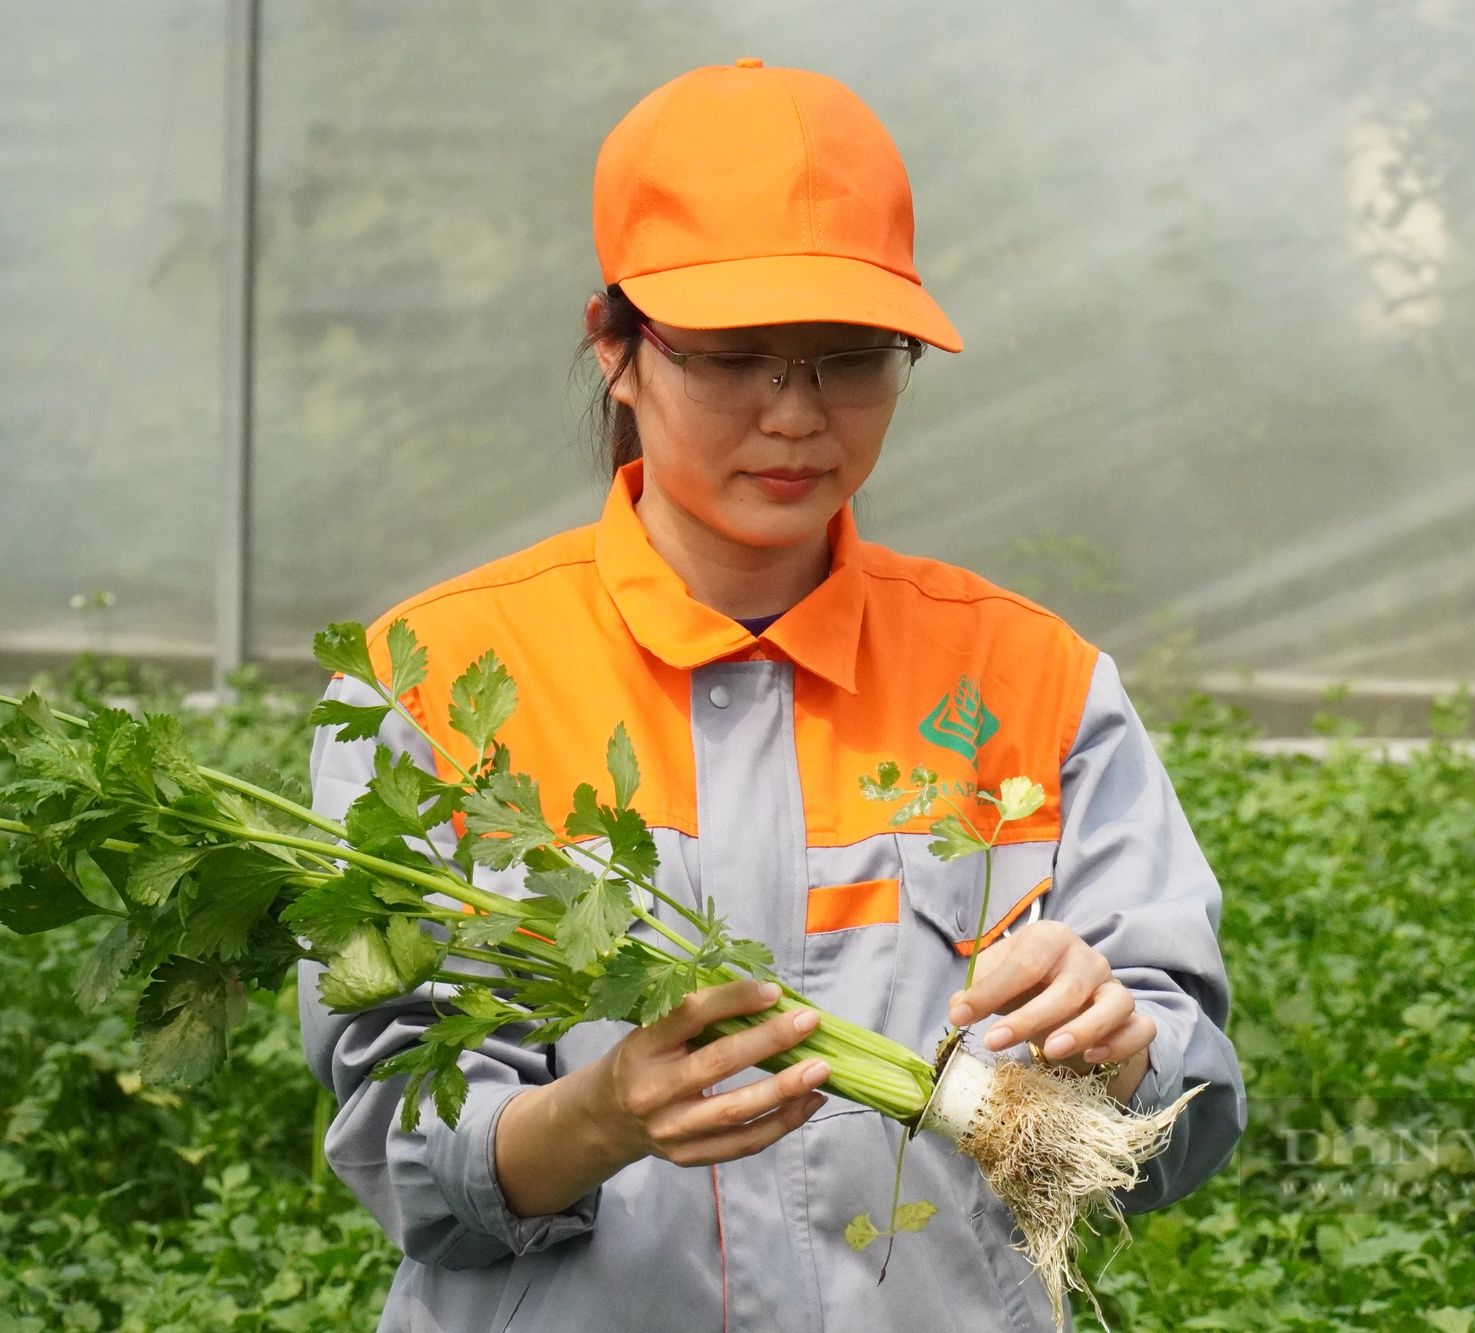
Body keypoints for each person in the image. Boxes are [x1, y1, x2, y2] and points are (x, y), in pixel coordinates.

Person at [301, 59, 1243, 1333]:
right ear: (617, 348)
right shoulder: (443, 685)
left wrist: (1123, 1047)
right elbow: (397, 1153)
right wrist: (597, 1118)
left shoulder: (1032, 681)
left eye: (851, 358)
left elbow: (1178, 1128)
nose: (796, 416)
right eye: (736, 357)